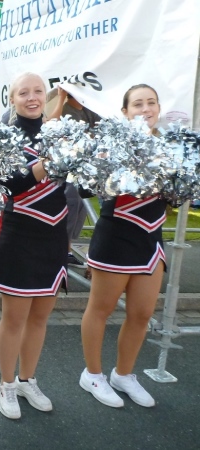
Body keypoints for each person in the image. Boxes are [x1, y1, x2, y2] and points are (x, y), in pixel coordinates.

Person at [79, 84, 165, 409]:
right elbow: (85, 188)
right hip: (116, 238)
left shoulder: (170, 147)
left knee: (141, 314)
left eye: (151, 102)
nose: (146, 109)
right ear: (125, 112)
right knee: (100, 310)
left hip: (151, 241)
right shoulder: (112, 144)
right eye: (138, 104)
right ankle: (92, 374)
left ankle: (124, 374)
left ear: (159, 108)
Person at [0, 72, 67, 420]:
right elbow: (10, 184)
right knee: (14, 319)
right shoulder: (3, 138)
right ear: (13, 98)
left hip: (54, 236)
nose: (32, 97)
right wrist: (48, 162)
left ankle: (27, 379)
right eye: (24, 92)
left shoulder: (59, 133)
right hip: (20, 235)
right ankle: (6, 384)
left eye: (38, 91)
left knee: (40, 317)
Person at [49, 86, 103, 268]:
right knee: (71, 208)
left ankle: (67, 250)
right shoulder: (67, 110)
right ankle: (62, 251)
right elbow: (54, 126)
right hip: (69, 171)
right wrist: (61, 97)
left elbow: (102, 129)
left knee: (80, 210)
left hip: (84, 171)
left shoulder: (89, 111)